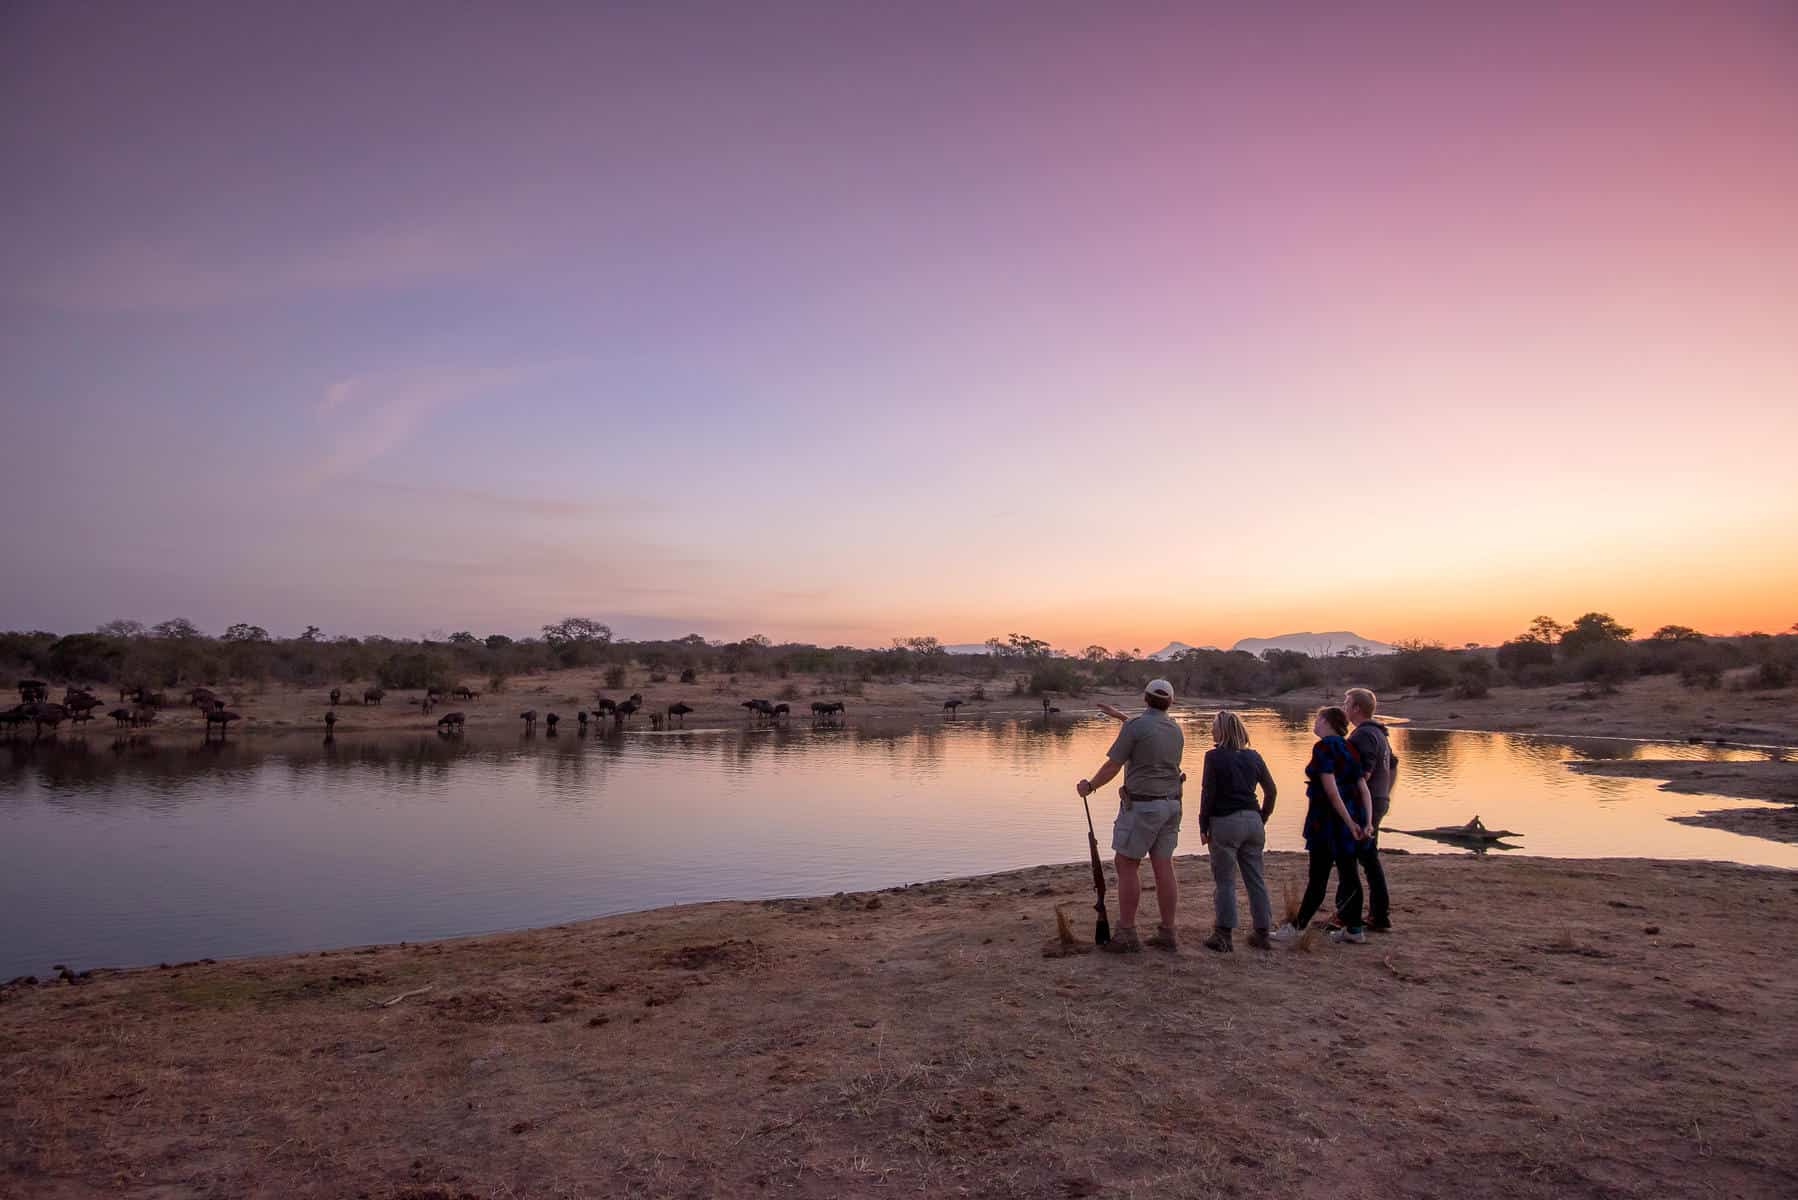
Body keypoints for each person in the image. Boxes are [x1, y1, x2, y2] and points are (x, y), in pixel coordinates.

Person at [1076, 679, 1185, 953]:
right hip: (1171, 806)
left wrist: (1090, 786)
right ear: (1170, 702)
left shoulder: (1135, 726)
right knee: (1164, 866)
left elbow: (1114, 764)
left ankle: (1126, 932)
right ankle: (1168, 932)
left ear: (1144, 698)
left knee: (1126, 863)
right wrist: (1118, 717)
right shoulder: (1175, 729)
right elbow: (1146, 734)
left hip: (1143, 807)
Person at [1271, 706, 1374, 944]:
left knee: (1318, 877)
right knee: (1350, 875)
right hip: (1352, 819)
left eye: (1317, 718)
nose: (1314, 723)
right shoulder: (1350, 748)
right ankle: (1355, 929)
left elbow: (1331, 791)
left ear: (1327, 721)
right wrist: (1366, 822)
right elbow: (1363, 789)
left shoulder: (1324, 747)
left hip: (1328, 822)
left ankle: (1297, 928)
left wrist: (1349, 823)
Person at [1197, 710, 1277, 952]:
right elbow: (1271, 791)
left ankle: (1223, 935)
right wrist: (1261, 817)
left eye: (1213, 726)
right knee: (1255, 878)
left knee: (1225, 881)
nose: (1211, 730)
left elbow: (1208, 793)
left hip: (1225, 822)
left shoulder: (1213, 757)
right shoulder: (1254, 757)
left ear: (1221, 730)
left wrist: (1203, 825)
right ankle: (1262, 933)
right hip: (1253, 821)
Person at [1336, 687, 1397, 932]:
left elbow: (1363, 773)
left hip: (1363, 805)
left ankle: (1348, 916)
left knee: (1348, 860)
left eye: (1346, 702)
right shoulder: (1380, 734)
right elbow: (1393, 766)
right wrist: (1385, 796)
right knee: (1369, 859)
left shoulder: (1362, 736)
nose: (1344, 706)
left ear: (1356, 708)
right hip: (1377, 800)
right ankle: (1379, 915)